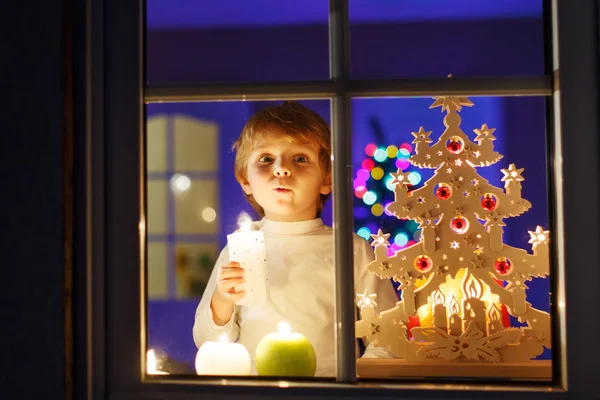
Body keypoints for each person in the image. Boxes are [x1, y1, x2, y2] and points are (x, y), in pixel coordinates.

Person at [192, 102, 398, 376]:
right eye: (266, 159)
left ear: (327, 178)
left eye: (299, 158)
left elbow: (386, 335)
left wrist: (355, 384)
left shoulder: (351, 250)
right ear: (245, 179)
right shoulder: (238, 250)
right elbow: (206, 340)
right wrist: (222, 300)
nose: (281, 169)